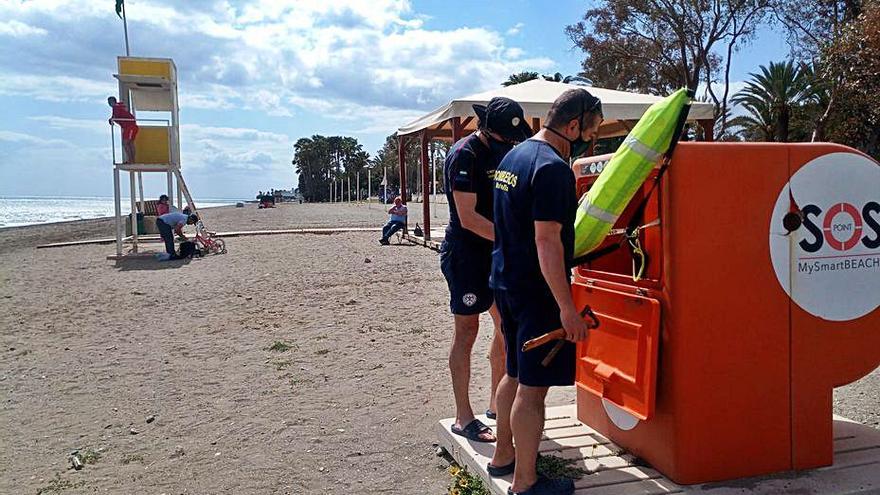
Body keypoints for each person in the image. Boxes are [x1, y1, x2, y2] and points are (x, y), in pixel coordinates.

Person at [489, 89, 603, 494]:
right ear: (572, 126)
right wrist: (567, 308)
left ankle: (503, 456)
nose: (592, 139)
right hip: (537, 291)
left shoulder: (514, 157)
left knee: (513, 373)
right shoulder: (553, 169)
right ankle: (525, 482)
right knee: (532, 389)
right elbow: (547, 241)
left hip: (505, 279)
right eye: (591, 132)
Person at [442, 97, 533, 444]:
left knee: (507, 327)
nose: (509, 145)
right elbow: (468, 218)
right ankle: (463, 416)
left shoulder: (506, 147)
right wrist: (516, 239)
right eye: (504, 140)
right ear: (486, 130)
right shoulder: (464, 154)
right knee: (467, 330)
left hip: (496, 251)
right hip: (466, 254)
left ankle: (497, 402)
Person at [108, 96, 138, 164]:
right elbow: (115, 116)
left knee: (125, 143)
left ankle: (131, 160)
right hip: (131, 127)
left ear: (112, 102)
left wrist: (112, 120)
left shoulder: (116, 107)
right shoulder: (118, 107)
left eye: (109, 102)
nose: (109, 104)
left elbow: (116, 116)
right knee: (129, 143)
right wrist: (112, 119)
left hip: (130, 127)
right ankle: (131, 160)